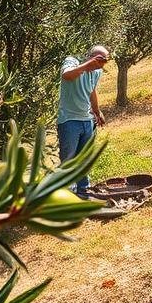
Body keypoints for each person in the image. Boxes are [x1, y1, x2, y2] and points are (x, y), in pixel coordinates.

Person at [58, 45, 109, 197]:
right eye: (100, 59)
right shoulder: (72, 61)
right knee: (68, 159)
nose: (102, 64)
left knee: (85, 158)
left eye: (105, 61)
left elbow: (92, 91)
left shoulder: (97, 71)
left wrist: (97, 111)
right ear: (90, 56)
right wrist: (88, 65)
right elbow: (66, 76)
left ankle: (83, 191)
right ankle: (67, 195)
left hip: (87, 120)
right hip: (69, 120)